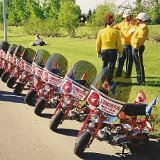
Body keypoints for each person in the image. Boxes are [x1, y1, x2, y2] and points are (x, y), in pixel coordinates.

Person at [96, 13, 123, 84]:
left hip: (104, 51)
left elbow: (98, 43)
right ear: (113, 22)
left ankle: (102, 79)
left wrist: (98, 51)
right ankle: (108, 80)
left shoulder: (101, 31)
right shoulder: (116, 32)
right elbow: (119, 43)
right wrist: (120, 52)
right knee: (111, 66)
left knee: (104, 65)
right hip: (113, 51)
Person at [115, 9, 137, 78]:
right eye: (124, 16)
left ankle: (128, 75)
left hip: (130, 45)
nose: (125, 18)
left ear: (131, 15)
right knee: (120, 60)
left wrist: (135, 30)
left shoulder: (136, 23)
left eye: (127, 16)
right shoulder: (122, 23)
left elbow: (140, 29)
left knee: (129, 61)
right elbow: (116, 27)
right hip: (122, 45)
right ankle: (118, 73)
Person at [131, 12, 149, 84]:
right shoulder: (140, 26)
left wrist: (136, 46)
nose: (137, 20)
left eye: (138, 19)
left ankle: (140, 80)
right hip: (137, 46)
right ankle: (140, 79)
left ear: (141, 19)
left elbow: (141, 38)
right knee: (138, 63)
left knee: (138, 63)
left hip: (137, 47)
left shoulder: (143, 27)